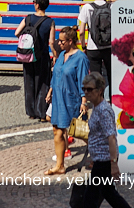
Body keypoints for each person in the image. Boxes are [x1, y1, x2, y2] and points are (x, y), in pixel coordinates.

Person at [75, 71, 132, 208]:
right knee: (108, 193)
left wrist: (113, 164)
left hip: (105, 160)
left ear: (100, 90)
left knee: (90, 199)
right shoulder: (96, 107)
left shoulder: (104, 111)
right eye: (84, 89)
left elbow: (111, 137)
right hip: (100, 159)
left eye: (90, 89)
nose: (86, 92)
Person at [46, 26, 89, 176]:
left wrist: (84, 101)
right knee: (57, 131)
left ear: (71, 41)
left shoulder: (81, 58)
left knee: (80, 132)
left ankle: (100, 155)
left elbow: (84, 80)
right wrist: (51, 91)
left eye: (62, 41)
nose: (59, 43)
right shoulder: (62, 54)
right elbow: (56, 74)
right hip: (58, 98)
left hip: (72, 99)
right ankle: (60, 165)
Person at [15, 0, 56, 121]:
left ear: (37, 5)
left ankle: (31, 112)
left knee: (29, 82)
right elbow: (51, 42)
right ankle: (42, 113)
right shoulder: (50, 22)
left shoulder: (27, 18)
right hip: (42, 56)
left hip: (28, 55)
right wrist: (55, 55)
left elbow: (17, 33)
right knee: (43, 83)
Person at [78, 0, 113, 90]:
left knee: (95, 78)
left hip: (93, 47)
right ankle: (112, 103)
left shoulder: (87, 7)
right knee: (111, 76)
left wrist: (83, 46)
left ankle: (97, 104)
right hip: (108, 46)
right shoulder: (111, 6)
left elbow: (81, 31)